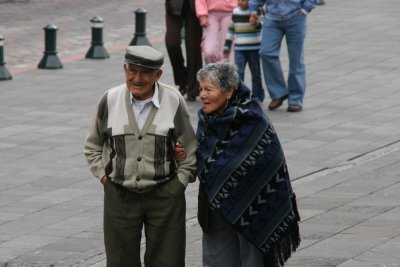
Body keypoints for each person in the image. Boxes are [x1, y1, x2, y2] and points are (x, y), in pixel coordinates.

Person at [176, 62, 301, 266]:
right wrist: (183, 155)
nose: (203, 95)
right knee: (216, 259)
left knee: (252, 260)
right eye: (201, 89)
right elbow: (202, 159)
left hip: (254, 208)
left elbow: (270, 162)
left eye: (208, 89)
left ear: (228, 92)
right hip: (215, 205)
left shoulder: (253, 119)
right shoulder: (207, 121)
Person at [83, 45, 197, 267]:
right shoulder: (110, 99)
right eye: (132, 70)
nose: (137, 78)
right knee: (120, 261)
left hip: (165, 195)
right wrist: (104, 177)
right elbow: (93, 145)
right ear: (125, 69)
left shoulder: (173, 100)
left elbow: (189, 147)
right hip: (119, 195)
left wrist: (179, 183)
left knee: (168, 261)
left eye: (145, 72)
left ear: (158, 75)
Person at [249, 0, 316, 112]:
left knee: (296, 59)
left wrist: (306, 8)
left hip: (295, 16)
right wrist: (253, 9)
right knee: (266, 52)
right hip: (272, 17)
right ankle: (278, 93)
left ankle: (295, 99)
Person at [224, 0, 265, 103]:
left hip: (254, 48)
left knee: (256, 73)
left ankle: (257, 95)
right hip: (239, 48)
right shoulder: (235, 11)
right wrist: (227, 45)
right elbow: (231, 28)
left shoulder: (257, 10)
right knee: (239, 72)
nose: (241, 2)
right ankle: (240, 95)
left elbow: (262, 26)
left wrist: (255, 22)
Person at [165, 0, 203, 102]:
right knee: (172, 43)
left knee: (194, 47)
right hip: (174, 3)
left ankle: (193, 87)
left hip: (196, 4)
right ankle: (182, 79)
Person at [195, 0, 237, 64]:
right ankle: (213, 69)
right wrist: (202, 15)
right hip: (210, 14)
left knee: (225, 52)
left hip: (230, 13)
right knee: (209, 52)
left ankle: (223, 70)